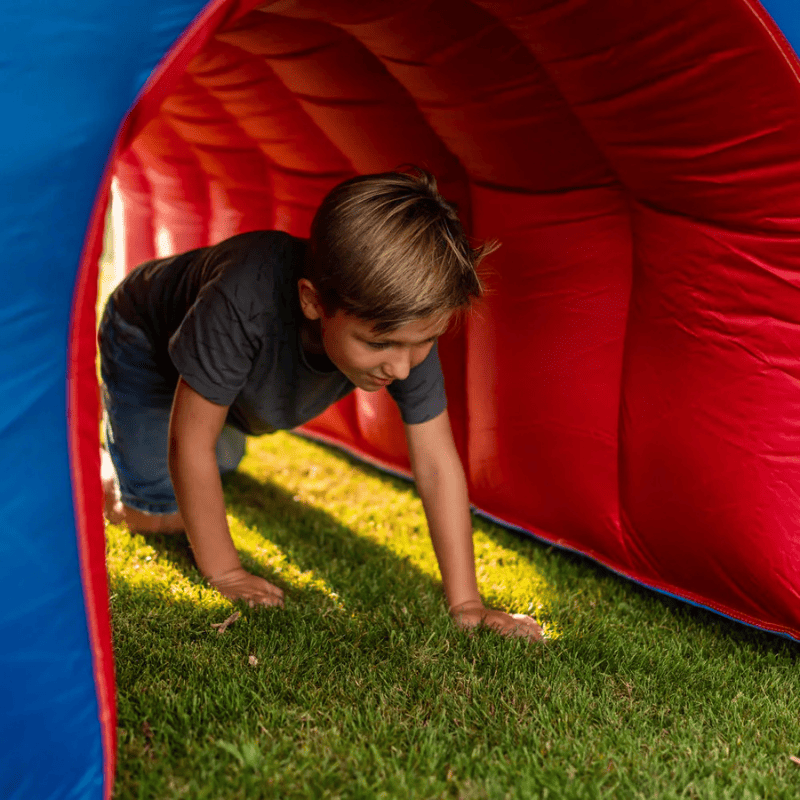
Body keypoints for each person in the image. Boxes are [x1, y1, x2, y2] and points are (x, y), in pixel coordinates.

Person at [99, 169, 544, 641]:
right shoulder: (243, 301)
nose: (403, 367)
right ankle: (107, 468)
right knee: (158, 515)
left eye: (425, 341)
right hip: (146, 343)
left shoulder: (404, 336)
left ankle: (161, 445)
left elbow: (436, 463)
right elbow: (189, 441)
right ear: (312, 301)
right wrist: (226, 574)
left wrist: (467, 605)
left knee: (217, 461)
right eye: (380, 344)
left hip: (228, 380)